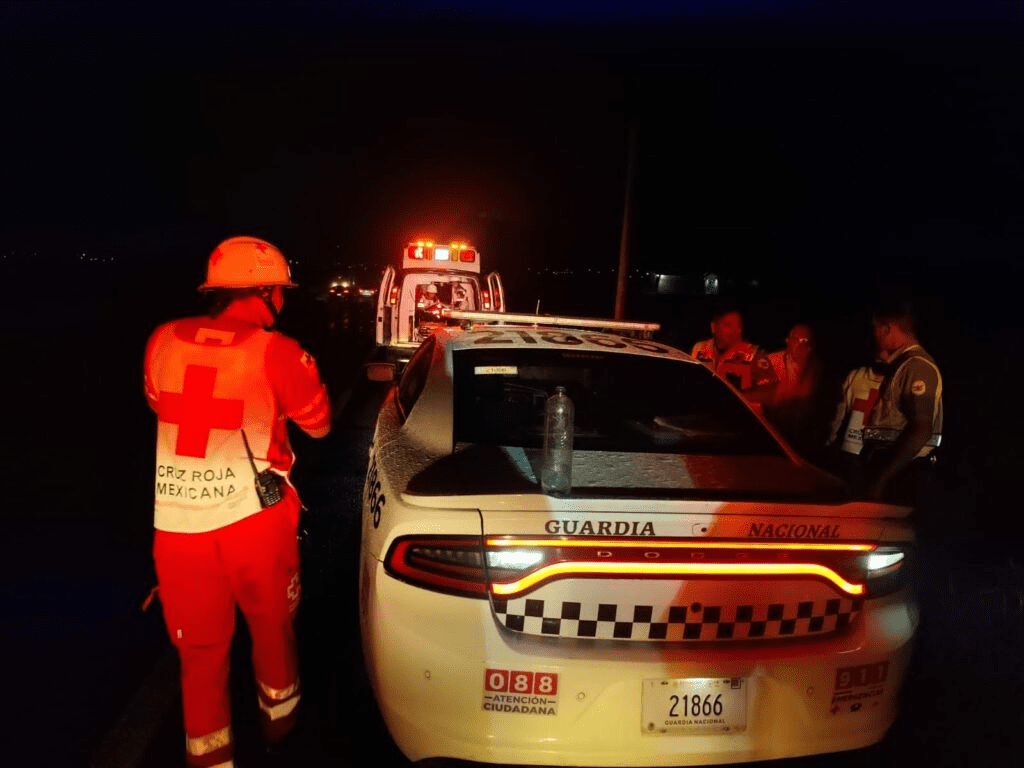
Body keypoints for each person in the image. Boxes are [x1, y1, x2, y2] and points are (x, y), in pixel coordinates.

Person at [143, 236, 331, 767]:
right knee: (272, 628)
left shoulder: (161, 339)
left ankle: (210, 757)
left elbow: (159, 402)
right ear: (267, 292)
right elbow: (319, 426)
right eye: (281, 291)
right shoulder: (280, 351)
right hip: (256, 522)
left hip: (177, 527)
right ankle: (280, 728)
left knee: (199, 653)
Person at [862, 300, 943, 505]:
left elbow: (921, 429)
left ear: (886, 329)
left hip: (903, 475)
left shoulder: (916, 367)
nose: (873, 336)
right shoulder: (902, 365)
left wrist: (883, 478)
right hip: (893, 470)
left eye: (875, 329)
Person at [690, 304, 778, 412]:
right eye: (728, 325)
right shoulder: (699, 349)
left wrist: (735, 398)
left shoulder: (754, 355)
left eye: (738, 325)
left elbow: (770, 394)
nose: (735, 331)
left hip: (738, 416)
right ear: (713, 327)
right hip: (702, 413)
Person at [825, 351, 889, 495]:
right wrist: (831, 439)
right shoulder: (857, 375)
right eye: (881, 352)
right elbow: (839, 410)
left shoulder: (897, 381)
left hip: (878, 454)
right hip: (851, 451)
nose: (884, 356)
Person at [764, 323, 826, 456]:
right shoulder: (771, 363)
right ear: (787, 341)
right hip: (772, 439)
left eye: (806, 341)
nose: (801, 345)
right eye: (796, 340)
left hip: (803, 443)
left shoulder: (818, 369)